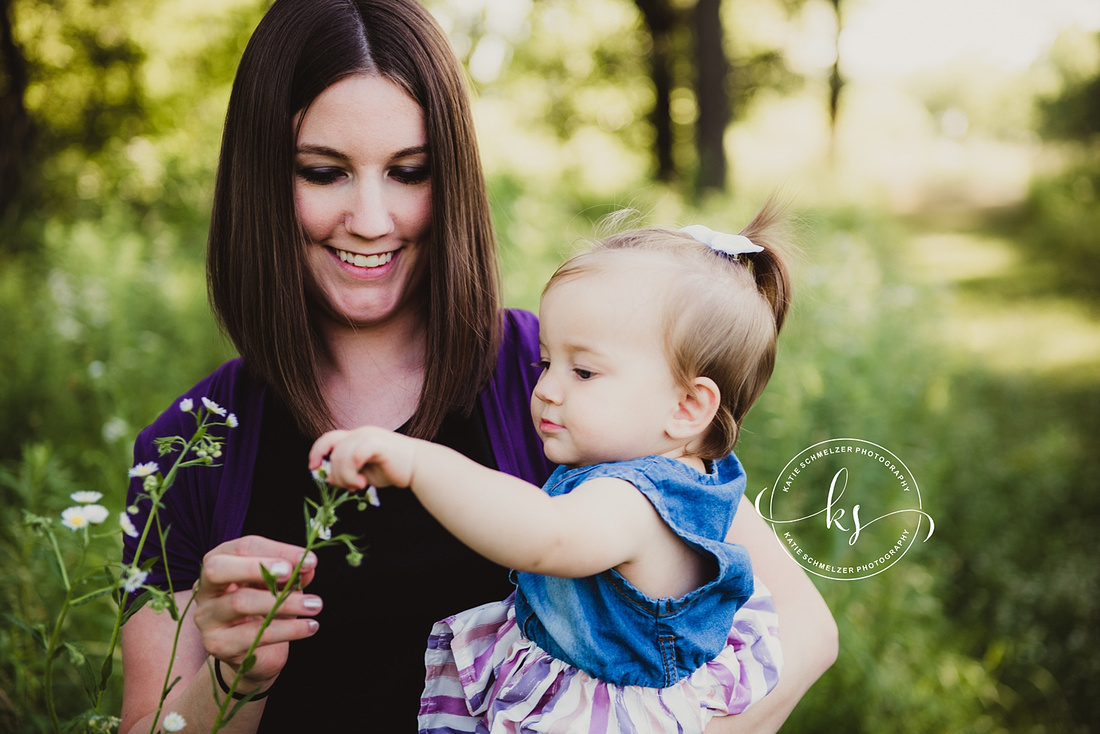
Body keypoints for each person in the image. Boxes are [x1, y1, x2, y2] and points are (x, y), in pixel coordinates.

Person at [118, 1, 837, 732]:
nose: (371, 218)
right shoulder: (187, 453)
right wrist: (236, 674)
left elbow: (804, 634)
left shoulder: (564, 388)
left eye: (409, 172)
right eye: (324, 172)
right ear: (263, 179)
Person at [309, 212, 791, 732]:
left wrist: (419, 462)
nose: (545, 390)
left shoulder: (635, 502)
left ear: (687, 407)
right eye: (545, 363)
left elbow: (544, 536)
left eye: (583, 371)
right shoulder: (691, 469)